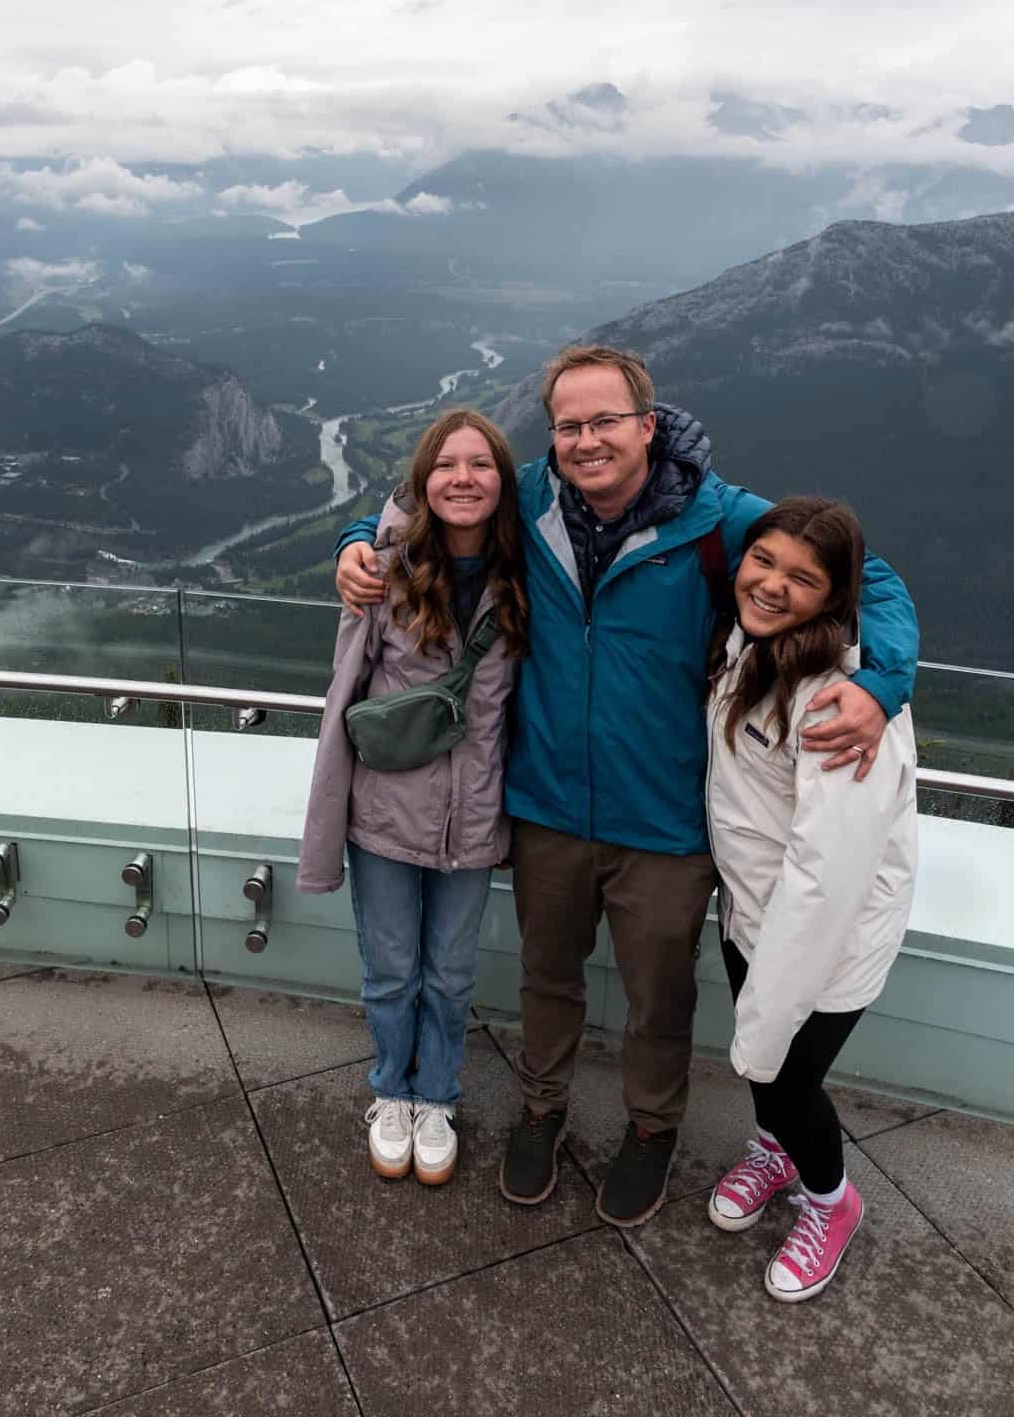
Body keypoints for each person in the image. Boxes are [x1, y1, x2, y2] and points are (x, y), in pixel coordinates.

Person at [335, 345, 918, 1226]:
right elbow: (415, 498)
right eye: (569, 425)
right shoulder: (528, 495)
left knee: (659, 999)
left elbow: (866, 574)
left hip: (667, 820)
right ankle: (542, 1108)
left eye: (605, 421)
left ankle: (651, 1130)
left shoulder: (720, 519)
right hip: (548, 805)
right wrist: (350, 543)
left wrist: (881, 682)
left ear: (649, 424)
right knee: (547, 979)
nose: (586, 440)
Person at [298, 408, 528, 1187]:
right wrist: (351, 541)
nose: (463, 479)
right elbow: (346, 685)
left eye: (481, 465)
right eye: (447, 465)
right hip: (385, 813)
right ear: (422, 481)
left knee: (452, 973)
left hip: (475, 815)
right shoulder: (383, 569)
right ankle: (392, 1089)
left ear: (505, 480)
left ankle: (439, 1096)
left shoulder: (531, 572)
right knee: (391, 969)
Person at [705, 496, 918, 1301]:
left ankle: (832, 1200)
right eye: (762, 561)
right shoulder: (747, 645)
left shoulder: (840, 704)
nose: (770, 585)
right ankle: (775, 1148)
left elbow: (827, 878)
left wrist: (760, 1027)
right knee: (773, 1085)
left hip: (823, 942)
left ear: (836, 598)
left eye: (803, 578)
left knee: (785, 1080)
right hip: (753, 914)